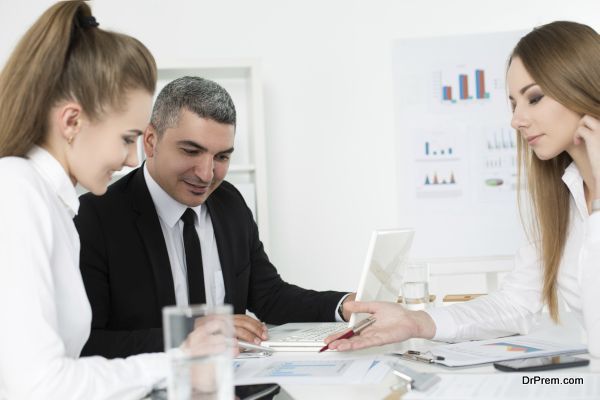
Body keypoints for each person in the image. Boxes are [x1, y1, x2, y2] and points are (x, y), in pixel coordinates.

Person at [325, 20, 600, 358]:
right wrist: (417, 322)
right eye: (513, 103)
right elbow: (516, 302)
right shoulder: (561, 198)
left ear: (584, 87)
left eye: (534, 98)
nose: (516, 119)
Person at [0, 2, 223, 399]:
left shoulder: (55, 207)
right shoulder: (16, 190)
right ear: (72, 122)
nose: (132, 159)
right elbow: (38, 386)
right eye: (126, 138)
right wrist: (175, 361)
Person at [74, 75, 356, 359]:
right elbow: (87, 345)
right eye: (191, 151)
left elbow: (270, 296)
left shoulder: (229, 202)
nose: (207, 174)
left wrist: (345, 306)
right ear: (150, 141)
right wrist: (194, 334)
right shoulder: (94, 218)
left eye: (221, 157)